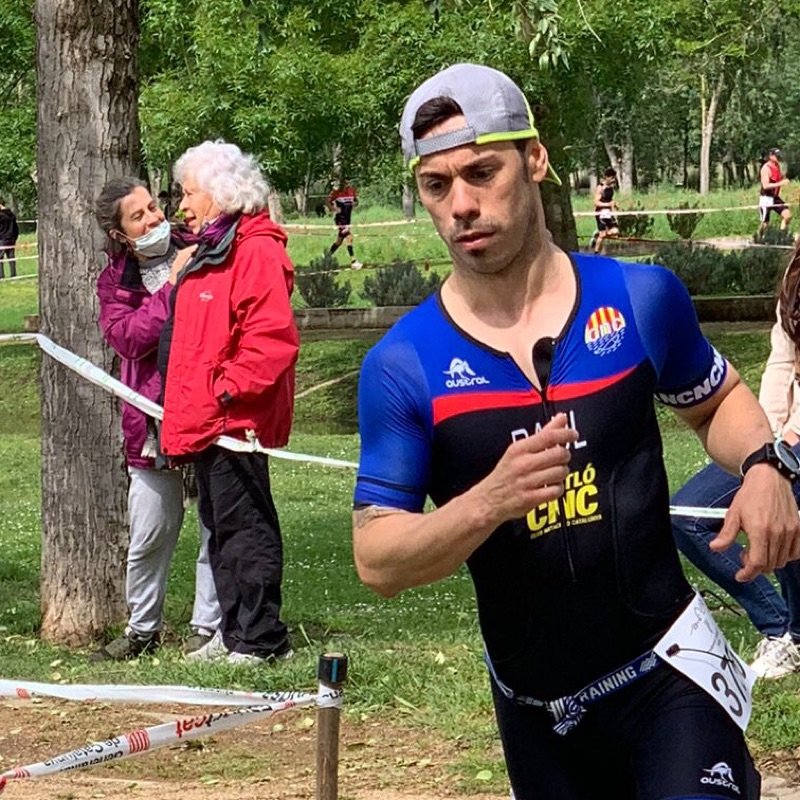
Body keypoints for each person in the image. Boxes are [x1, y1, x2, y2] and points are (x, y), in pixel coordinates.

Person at [352, 63, 800, 800]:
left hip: (670, 676)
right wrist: (487, 502)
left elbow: (714, 402)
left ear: (534, 160)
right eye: (437, 185)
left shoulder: (640, 297)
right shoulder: (404, 365)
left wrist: (762, 465)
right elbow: (377, 559)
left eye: (482, 172)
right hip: (536, 713)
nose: (462, 205)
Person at [158, 140, 298, 666]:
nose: (182, 205)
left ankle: (262, 639)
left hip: (235, 420)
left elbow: (270, 340)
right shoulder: (212, 250)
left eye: (189, 193)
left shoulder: (256, 250)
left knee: (246, 528)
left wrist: (223, 390)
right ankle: (234, 631)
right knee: (219, 528)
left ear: (219, 194)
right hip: (205, 419)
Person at [93, 177, 221, 661]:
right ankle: (142, 630)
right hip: (150, 423)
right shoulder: (114, 281)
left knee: (215, 522)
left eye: (153, 207)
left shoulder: (201, 247)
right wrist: (170, 287)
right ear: (120, 234)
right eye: (139, 216)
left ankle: (207, 627)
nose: (153, 218)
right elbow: (128, 338)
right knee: (150, 531)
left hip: (207, 408)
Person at [672, 248, 800, 680]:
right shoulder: (796, 270)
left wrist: (787, 450)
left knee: (786, 495)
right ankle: (778, 625)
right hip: (785, 436)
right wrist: (764, 447)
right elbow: (781, 361)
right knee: (688, 515)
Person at [327, 177, 362, 269]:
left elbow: (356, 201)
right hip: (340, 220)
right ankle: (354, 261)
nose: (347, 185)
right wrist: (334, 209)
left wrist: (355, 204)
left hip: (348, 220)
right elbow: (328, 202)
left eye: (348, 183)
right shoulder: (336, 192)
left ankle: (327, 257)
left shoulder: (351, 191)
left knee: (339, 242)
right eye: (345, 183)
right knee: (349, 237)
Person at [758, 147, 792, 235]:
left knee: (787, 215)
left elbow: (779, 178)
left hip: (775, 197)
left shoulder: (777, 166)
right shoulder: (766, 168)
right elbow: (765, 186)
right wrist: (781, 183)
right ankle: (759, 237)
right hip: (766, 198)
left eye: (779, 156)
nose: (778, 158)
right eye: (777, 156)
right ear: (771, 156)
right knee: (765, 223)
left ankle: (781, 235)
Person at [588, 167, 619, 254]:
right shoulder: (600, 187)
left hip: (608, 213)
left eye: (614, 178)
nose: (613, 180)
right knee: (602, 235)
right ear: (607, 177)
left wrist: (614, 204)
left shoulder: (611, 187)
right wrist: (608, 204)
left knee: (615, 231)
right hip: (600, 213)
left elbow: (609, 199)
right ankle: (596, 253)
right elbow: (596, 203)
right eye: (612, 178)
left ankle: (598, 234)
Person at [0, 199, 19, 279]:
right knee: (11, 257)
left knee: (0, 258)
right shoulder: (12, 214)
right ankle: (13, 275)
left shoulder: (1, 215)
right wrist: (14, 237)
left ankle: (1, 276)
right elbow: (16, 228)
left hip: (2, 239)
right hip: (11, 239)